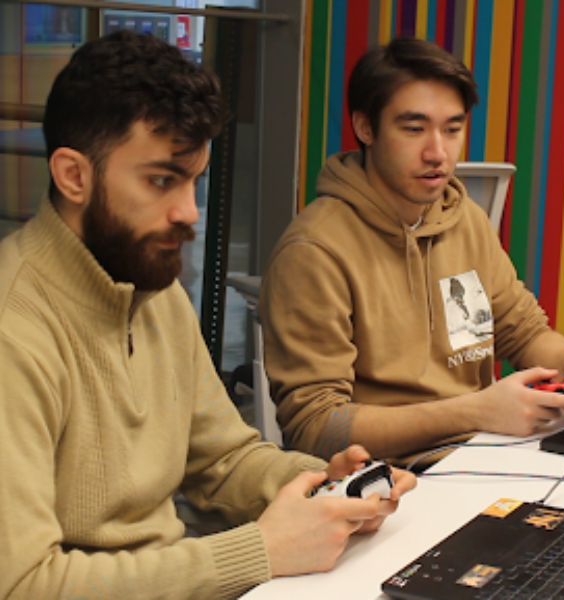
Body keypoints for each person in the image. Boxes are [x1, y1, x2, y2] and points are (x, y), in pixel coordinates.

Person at [0, 30, 415, 600]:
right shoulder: (13, 328)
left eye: (195, 180)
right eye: (161, 181)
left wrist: (319, 484)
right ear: (74, 176)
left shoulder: (149, 284)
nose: (187, 211)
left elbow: (222, 457)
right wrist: (260, 552)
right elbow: (23, 583)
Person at [260, 36, 564, 470]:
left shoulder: (464, 217)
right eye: (413, 129)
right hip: (389, 482)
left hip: (483, 454)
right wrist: (477, 411)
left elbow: (524, 332)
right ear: (365, 128)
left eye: (452, 129)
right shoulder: (314, 250)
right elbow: (316, 427)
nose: (438, 153)